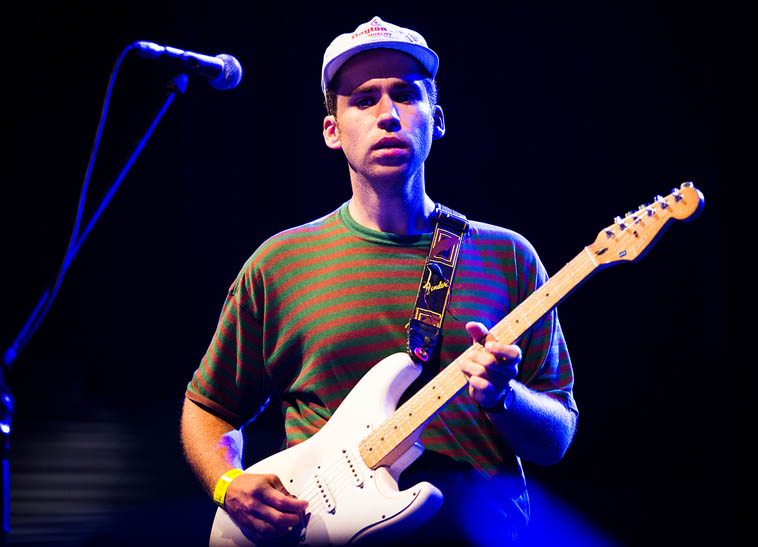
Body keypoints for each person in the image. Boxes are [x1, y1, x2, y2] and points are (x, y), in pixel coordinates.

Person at [181, 16, 578, 545]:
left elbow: (556, 438)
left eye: (406, 96)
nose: (388, 114)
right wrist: (229, 483)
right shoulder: (279, 263)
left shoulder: (508, 256)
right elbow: (209, 408)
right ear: (332, 130)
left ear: (436, 120)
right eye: (364, 100)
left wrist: (504, 397)